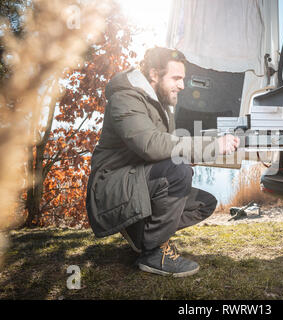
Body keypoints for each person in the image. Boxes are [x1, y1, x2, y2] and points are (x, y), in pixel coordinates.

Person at [86, 47, 240, 277]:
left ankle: (141, 233)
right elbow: (152, 145)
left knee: (204, 203)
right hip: (112, 187)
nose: (182, 86)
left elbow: (169, 146)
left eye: (183, 79)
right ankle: (153, 253)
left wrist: (203, 148)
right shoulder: (125, 98)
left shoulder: (160, 104)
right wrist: (211, 146)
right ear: (154, 75)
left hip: (136, 182)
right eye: (176, 78)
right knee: (177, 172)